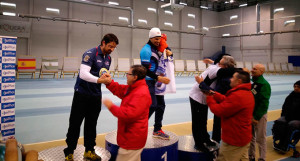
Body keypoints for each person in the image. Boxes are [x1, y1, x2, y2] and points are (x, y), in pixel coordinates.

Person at [64, 33, 119, 161]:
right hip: (81, 94)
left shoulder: (108, 58)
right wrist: (100, 81)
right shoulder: (90, 53)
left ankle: (89, 150)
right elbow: (83, 74)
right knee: (75, 124)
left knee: (91, 124)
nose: (112, 49)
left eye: (114, 48)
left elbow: (102, 73)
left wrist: (106, 78)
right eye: (110, 46)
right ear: (103, 43)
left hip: (95, 95)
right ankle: (69, 151)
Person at [102, 65, 152, 161]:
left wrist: (111, 106)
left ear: (135, 77)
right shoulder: (134, 88)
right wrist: (109, 82)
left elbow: (128, 115)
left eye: (128, 74)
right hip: (132, 138)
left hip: (132, 139)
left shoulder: (141, 93)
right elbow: (121, 90)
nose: (126, 76)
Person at [205, 70, 255, 161]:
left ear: (239, 81)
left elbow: (219, 110)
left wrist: (209, 98)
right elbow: (228, 101)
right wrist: (215, 95)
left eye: (233, 78)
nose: (230, 80)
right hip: (243, 137)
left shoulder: (238, 95)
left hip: (234, 140)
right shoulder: (245, 92)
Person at [140, 27, 171, 140]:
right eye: (156, 39)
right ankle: (138, 126)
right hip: (148, 80)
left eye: (159, 39)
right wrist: (158, 77)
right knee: (152, 105)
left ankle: (157, 130)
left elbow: (168, 50)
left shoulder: (158, 48)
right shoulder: (146, 50)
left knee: (161, 105)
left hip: (156, 81)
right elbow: (144, 70)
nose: (158, 41)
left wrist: (169, 51)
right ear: (151, 38)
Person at [189, 59, 221, 152]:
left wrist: (211, 61)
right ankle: (198, 144)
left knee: (203, 120)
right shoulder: (215, 70)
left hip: (204, 98)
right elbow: (201, 86)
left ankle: (205, 139)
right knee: (197, 122)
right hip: (197, 97)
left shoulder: (216, 66)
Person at [248, 64, 271, 161]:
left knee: (260, 139)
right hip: (250, 114)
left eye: (255, 69)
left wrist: (256, 117)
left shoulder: (264, 84)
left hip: (259, 115)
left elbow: (264, 103)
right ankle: (251, 157)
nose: (252, 70)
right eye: (252, 68)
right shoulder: (253, 82)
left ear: (261, 72)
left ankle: (262, 158)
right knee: (250, 138)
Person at [272, 80, 300, 152]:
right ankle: (279, 139)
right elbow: (284, 108)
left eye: (298, 87)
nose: (296, 88)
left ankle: (285, 144)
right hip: (289, 117)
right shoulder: (290, 96)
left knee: (291, 124)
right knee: (279, 121)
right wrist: (285, 116)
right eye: (295, 86)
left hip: (298, 119)